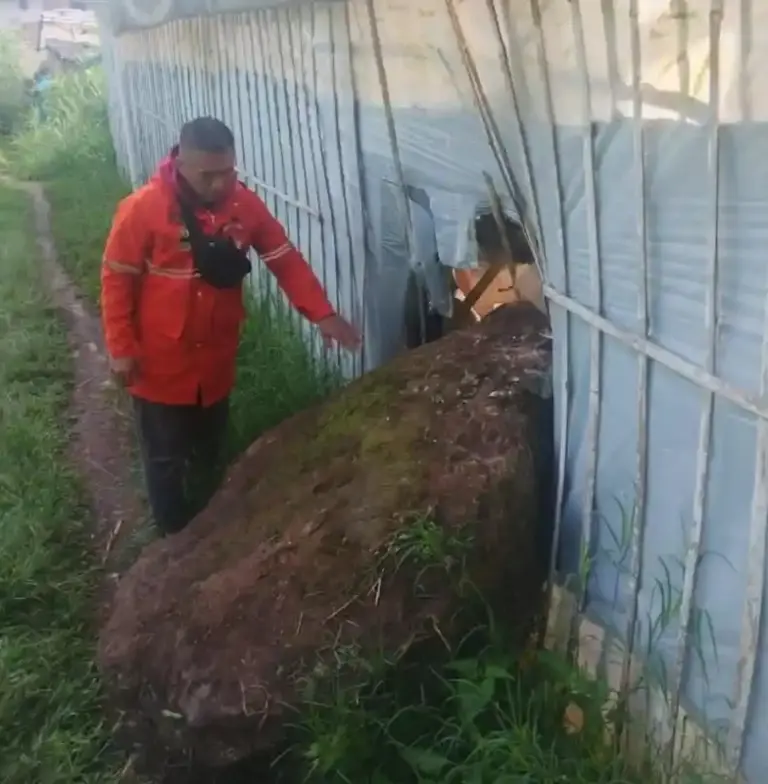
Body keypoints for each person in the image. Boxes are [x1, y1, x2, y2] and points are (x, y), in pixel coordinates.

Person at [101, 117, 361, 536]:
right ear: (180, 163)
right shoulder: (143, 210)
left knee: (210, 450)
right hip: (160, 365)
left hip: (215, 363)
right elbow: (117, 279)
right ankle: (172, 542)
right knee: (166, 458)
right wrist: (121, 347)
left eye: (228, 172)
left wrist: (322, 314)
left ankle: (210, 531)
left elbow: (284, 259)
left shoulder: (244, 205)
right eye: (209, 175)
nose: (221, 184)